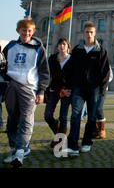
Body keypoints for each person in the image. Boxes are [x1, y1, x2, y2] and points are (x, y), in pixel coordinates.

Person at [2, 18, 50, 167]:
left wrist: (41, 91)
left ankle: (21, 151)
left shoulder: (38, 48)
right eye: (24, 30)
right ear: (18, 31)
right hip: (12, 86)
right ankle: (14, 148)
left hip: (29, 88)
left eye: (29, 31)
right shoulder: (10, 47)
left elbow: (44, 72)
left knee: (26, 119)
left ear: (33, 31)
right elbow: (3, 67)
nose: (27, 33)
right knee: (12, 119)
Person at [64, 21, 110, 157]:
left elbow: (105, 71)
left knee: (91, 116)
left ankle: (87, 142)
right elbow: (70, 69)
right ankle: (72, 145)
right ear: (83, 33)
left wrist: (103, 88)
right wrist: (68, 86)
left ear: (95, 34)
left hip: (94, 88)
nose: (89, 34)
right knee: (75, 114)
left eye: (91, 32)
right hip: (78, 87)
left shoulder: (100, 50)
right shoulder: (77, 50)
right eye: (87, 32)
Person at [44, 38, 72, 148]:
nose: (62, 46)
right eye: (60, 44)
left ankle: (59, 143)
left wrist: (68, 88)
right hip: (54, 90)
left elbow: (73, 76)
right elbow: (48, 74)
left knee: (63, 116)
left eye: (64, 44)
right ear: (57, 46)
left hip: (67, 91)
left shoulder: (72, 59)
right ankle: (58, 135)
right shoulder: (52, 58)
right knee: (48, 115)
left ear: (68, 46)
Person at [93, 66, 113, 139]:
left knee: (98, 108)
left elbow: (110, 76)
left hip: (102, 89)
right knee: (92, 108)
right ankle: (95, 130)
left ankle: (101, 129)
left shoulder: (105, 63)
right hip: (92, 89)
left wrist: (103, 82)